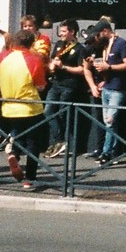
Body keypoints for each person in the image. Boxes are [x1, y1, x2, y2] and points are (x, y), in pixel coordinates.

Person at [0, 28, 48, 187]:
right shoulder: (34, 60)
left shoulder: (3, 57)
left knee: (18, 135)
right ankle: (30, 179)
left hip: (7, 108)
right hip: (29, 107)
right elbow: (40, 86)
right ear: (31, 43)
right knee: (34, 142)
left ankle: (13, 153)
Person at [87, 22, 126, 164]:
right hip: (107, 86)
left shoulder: (121, 43)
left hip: (118, 88)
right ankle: (113, 152)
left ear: (106, 31)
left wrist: (108, 67)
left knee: (110, 120)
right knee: (108, 122)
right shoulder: (104, 45)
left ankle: (106, 153)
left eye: (99, 34)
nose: (97, 37)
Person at [43, 20, 90, 157]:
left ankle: (63, 144)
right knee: (48, 110)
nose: (61, 34)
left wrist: (64, 67)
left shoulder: (81, 49)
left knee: (63, 114)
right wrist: (51, 66)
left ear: (72, 32)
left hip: (70, 85)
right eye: (60, 31)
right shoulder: (58, 45)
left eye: (64, 32)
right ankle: (59, 141)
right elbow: (52, 60)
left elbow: (82, 70)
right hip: (56, 83)